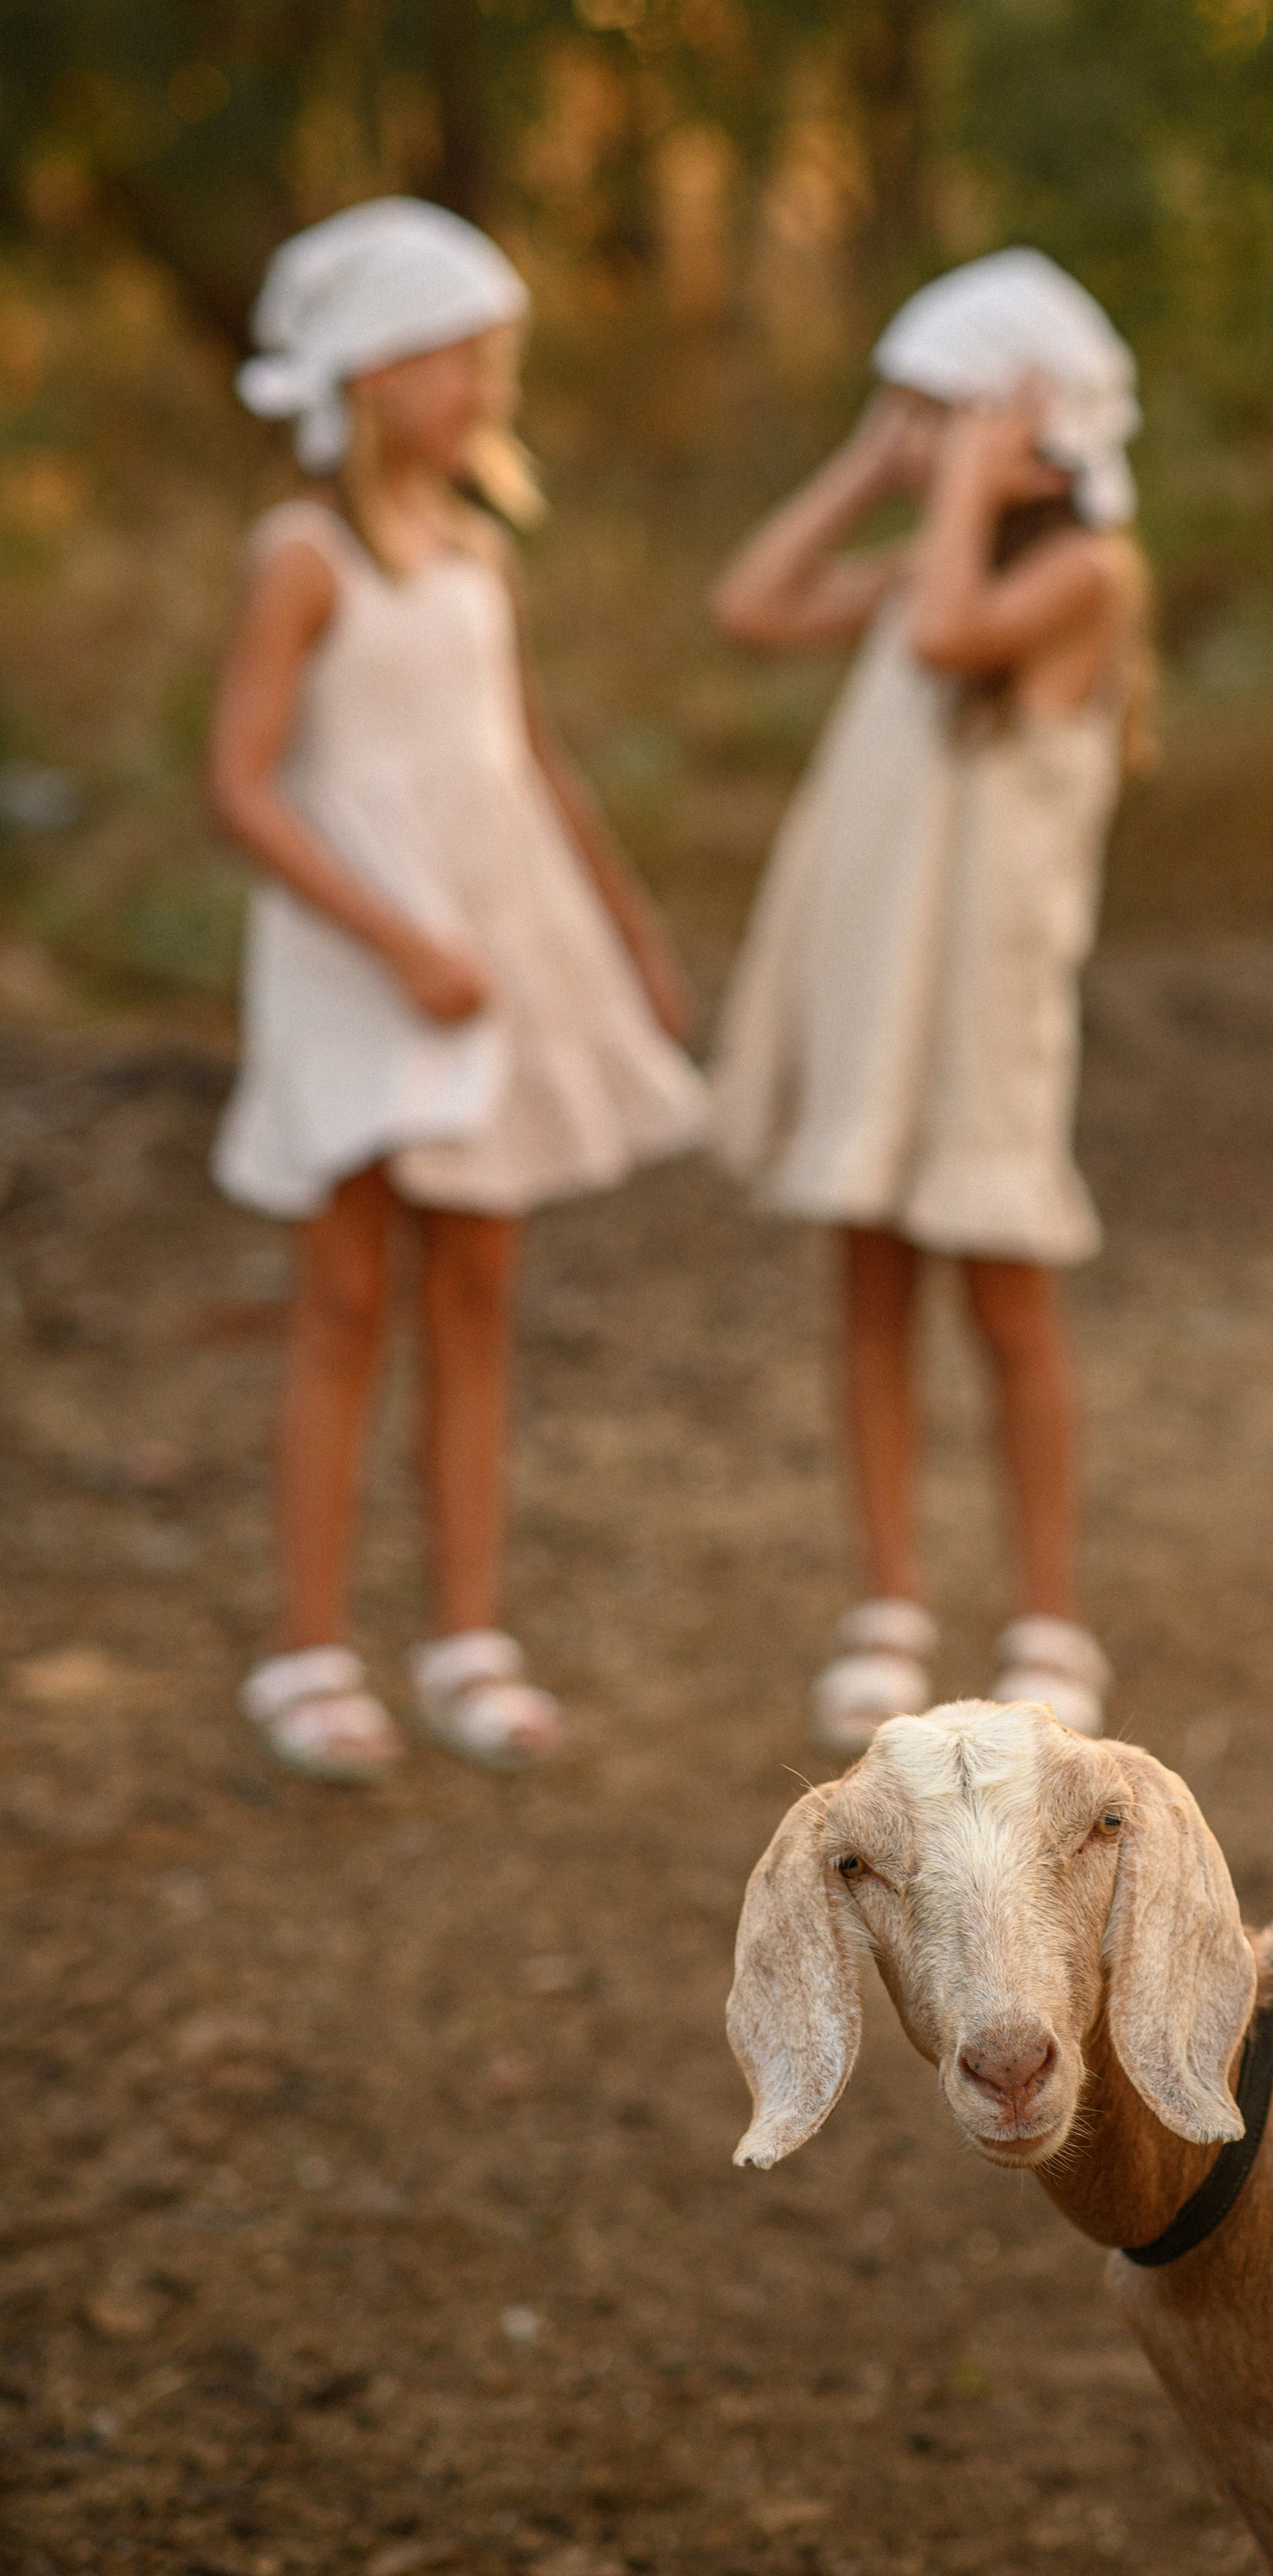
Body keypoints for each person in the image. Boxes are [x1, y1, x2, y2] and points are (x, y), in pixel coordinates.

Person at [210, 197, 708, 1784]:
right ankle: (305, 1646)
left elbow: (527, 760)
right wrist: (392, 938)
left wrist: (620, 927)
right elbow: (241, 785)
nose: (487, 384)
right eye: (458, 356)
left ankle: (466, 1636)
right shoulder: (302, 559)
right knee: (347, 1297)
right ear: (369, 374)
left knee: (477, 1294)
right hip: (367, 965)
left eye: (494, 355)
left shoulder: (478, 553)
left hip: (497, 957)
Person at [709, 248, 1151, 1754]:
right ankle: (884, 1600)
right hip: (877, 977)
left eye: (938, 412)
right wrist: (866, 471)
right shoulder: (934, 554)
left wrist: (961, 481)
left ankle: (1045, 1613)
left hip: (983, 990)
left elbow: (951, 636)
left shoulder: (1079, 572)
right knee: (871, 1271)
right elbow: (750, 604)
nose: (916, 440)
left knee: (1005, 1288)